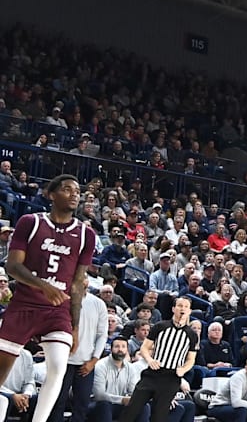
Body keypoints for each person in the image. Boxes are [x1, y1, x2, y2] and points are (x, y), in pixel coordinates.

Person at [0, 175, 96, 422]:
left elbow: (76, 284)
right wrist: (43, 285)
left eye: (77, 191)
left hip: (58, 311)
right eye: (67, 189)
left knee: (58, 367)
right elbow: (12, 266)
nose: (75, 194)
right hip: (25, 304)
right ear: (51, 194)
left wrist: (75, 326)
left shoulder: (86, 234)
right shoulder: (30, 222)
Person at [118, 297, 200, 422]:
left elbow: (191, 359)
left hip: (171, 378)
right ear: (173, 309)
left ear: (189, 311)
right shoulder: (160, 326)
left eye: (186, 307)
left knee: (159, 416)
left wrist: (183, 369)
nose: (182, 309)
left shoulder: (192, 335)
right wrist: (150, 360)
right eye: (179, 305)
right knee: (131, 410)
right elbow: (144, 348)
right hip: (152, 374)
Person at [49, 276, 110, 422]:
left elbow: (102, 334)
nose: (83, 282)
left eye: (84, 279)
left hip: (86, 363)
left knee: (81, 405)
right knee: (57, 402)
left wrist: (94, 360)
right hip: (63, 361)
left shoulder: (98, 304)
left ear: (88, 283)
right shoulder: (62, 300)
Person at [89, 337, 148, 422]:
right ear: (111, 349)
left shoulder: (130, 368)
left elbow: (133, 391)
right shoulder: (101, 366)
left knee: (144, 407)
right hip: (98, 405)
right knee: (104, 405)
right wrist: (122, 400)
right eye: (117, 346)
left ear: (127, 350)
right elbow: (99, 395)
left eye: (123, 347)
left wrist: (133, 399)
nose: (120, 349)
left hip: (119, 406)